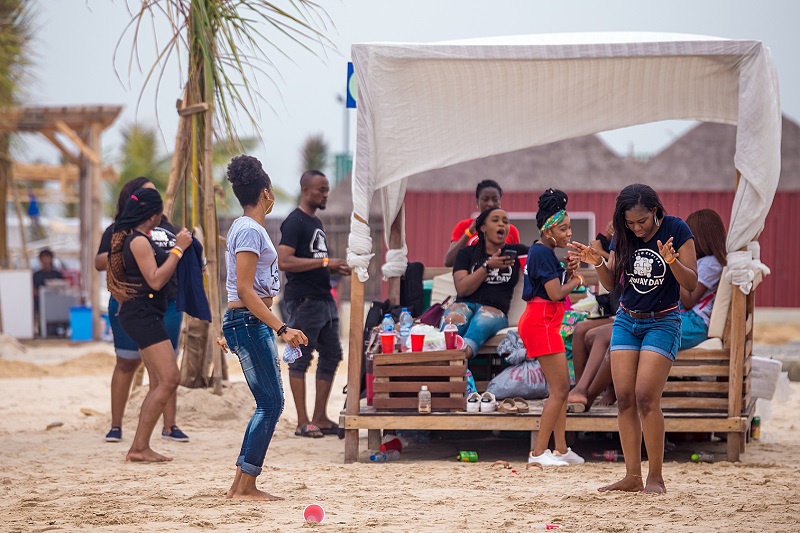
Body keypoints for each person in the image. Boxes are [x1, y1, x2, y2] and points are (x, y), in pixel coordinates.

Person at [572, 183, 697, 494]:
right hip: (628, 320)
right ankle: (631, 476)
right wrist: (598, 261)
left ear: (654, 211)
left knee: (645, 397)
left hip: (663, 322)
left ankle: (655, 477)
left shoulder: (676, 229)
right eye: (630, 223)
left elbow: (691, 283)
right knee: (625, 398)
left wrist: (672, 261)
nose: (637, 228)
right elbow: (613, 281)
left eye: (642, 221)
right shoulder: (624, 234)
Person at [220, 155, 308, 501]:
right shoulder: (250, 229)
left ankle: (241, 484)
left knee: (270, 402)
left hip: (248, 319)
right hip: (250, 319)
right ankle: (245, 486)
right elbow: (244, 289)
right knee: (270, 403)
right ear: (266, 193)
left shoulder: (247, 228)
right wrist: (282, 327)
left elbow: (240, 287)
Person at [96, 177, 190, 444]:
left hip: (156, 308)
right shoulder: (132, 238)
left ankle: (152, 437)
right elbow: (156, 278)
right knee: (165, 376)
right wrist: (178, 251)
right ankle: (132, 440)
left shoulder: (151, 234)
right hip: (139, 310)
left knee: (164, 375)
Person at [278, 170, 351, 439]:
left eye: (327, 189)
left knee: (332, 355)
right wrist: (324, 263)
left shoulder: (315, 221)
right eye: (321, 189)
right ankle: (302, 421)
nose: (325, 194)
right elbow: (284, 261)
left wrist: (334, 269)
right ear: (306, 190)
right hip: (304, 301)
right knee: (300, 358)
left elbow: (315, 259)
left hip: (324, 299)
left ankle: (320, 417)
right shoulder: (294, 222)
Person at [518, 189, 585, 467]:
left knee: (561, 388)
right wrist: (578, 280)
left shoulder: (544, 252)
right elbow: (556, 294)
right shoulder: (541, 253)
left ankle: (561, 449)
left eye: (569, 227)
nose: (569, 233)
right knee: (559, 389)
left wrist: (568, 271)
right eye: (563, 228)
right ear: (548, 231)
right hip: (541, 321)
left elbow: (553, 286)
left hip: (544, 321)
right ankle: (538, 453)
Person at [443, 207, 528, 359]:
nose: (502, 224)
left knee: (482, 321)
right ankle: (447, 361)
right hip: (466, 304)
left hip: (494, 310)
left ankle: (456, 361)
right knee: (454, 318)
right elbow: (462, 289)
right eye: (495, 221)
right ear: (483, 228)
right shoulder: (466, 253)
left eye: (505, 222)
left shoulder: (518, 252)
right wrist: (488, 266)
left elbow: (543, 258)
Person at [444, 179, 521, 267]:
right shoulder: (464, 226)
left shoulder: (510, 230)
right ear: (477, 202)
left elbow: (517, 264)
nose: (491, 204)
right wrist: (469, 232)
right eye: (485, 199)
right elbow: (449, 262)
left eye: (495, 199)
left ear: (500, 202)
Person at [679, 209, 726, 350]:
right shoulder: (705, 262)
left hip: (695, 324)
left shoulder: (710, 263)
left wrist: (675, 267)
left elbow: (689, 300)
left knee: (650, 333)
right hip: (686, 319)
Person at [32, 249, 65, 336]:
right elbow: (33, 290)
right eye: (43, 257)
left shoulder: (57, 274)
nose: (45, 260)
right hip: (40, 303)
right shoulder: (36, 275)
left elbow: (63, 288)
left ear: (51, 258)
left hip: (56, 303)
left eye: (47, 257)